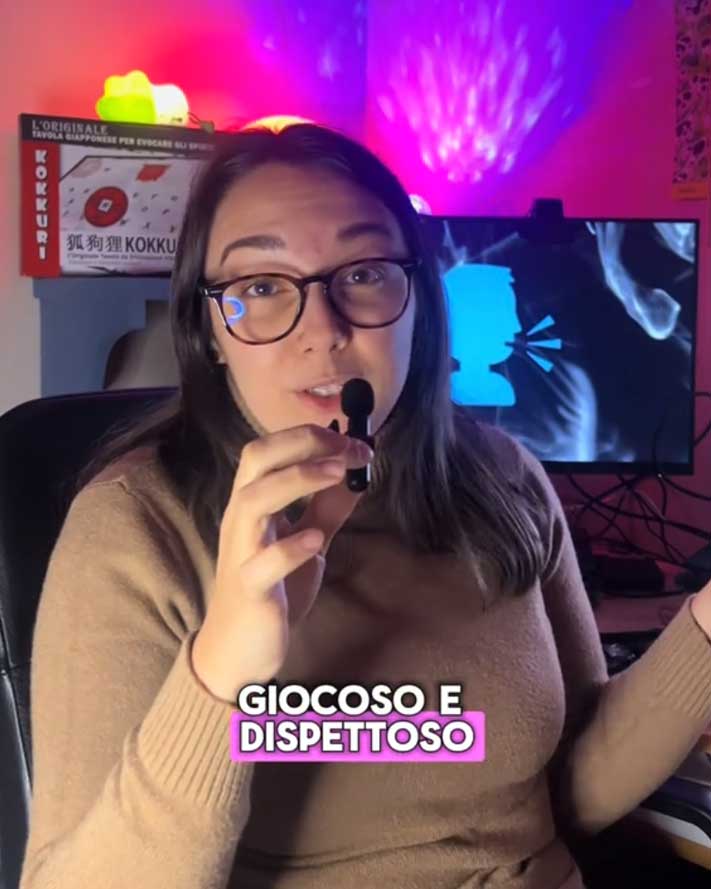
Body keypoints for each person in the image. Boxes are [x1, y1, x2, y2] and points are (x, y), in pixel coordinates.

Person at [19, 123, 711, 889]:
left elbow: (570, 786)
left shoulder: (502, 478)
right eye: (260, 286)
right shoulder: (133, 528)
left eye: (363, 273)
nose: (324, 331)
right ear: (209, 329)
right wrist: (219, 672)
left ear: (418, 301)